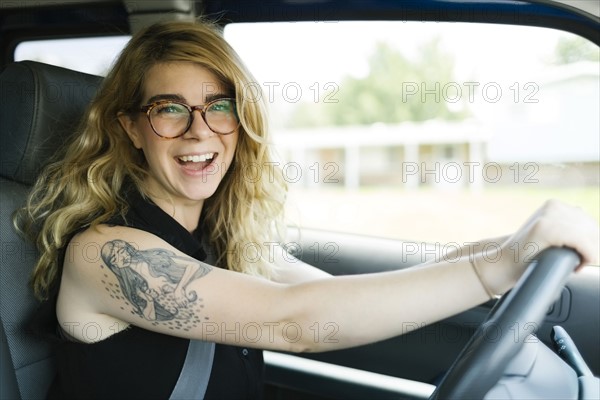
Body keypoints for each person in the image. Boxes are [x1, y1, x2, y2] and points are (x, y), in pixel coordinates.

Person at [14, 19, 598, 399]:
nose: (200, 132)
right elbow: (294, 319)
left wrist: (506, 251)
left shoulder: (225, 239)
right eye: (170, 109)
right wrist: (489, 269)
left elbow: (336, 299)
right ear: (132, 128)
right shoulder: (108, 254)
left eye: (220, 107)